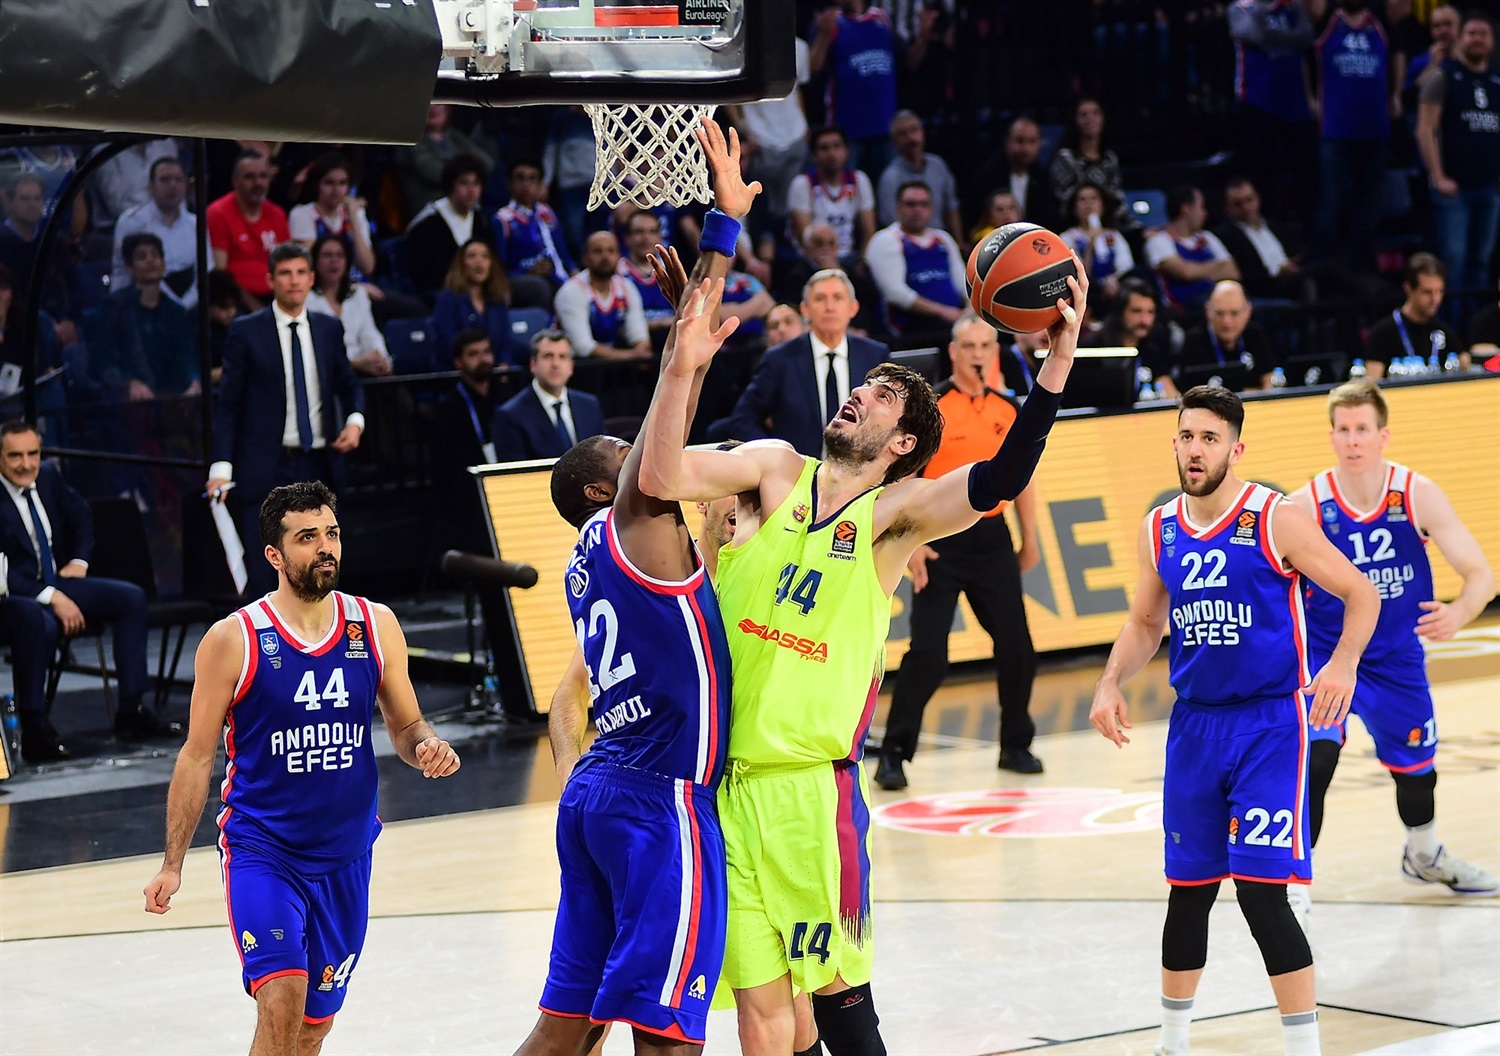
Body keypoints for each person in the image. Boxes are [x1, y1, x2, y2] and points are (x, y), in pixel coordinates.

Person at [637, 245, 1088, 1055]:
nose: (860, 393)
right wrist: (681, 360)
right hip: (720, 788)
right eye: (864, 385)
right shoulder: (773, 471)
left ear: (903, 442)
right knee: (764, 1015)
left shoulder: (893, 518)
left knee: (840, 1002)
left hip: (812, 794)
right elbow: (659, 475)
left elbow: (1001, 478)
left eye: (882, 396)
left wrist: (1054, 368)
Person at [513, 117, 752, 1056]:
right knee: (666, 1034)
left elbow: (672, 402)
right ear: (598, 489)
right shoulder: (633, 515)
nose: (647, 454)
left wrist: (686, 343)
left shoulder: (595, 555)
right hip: (661, 800)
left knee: (566, 1026)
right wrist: (721, 233)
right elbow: (668, 407)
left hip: (599, 790)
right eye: (625, 452)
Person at [1088, 385, 1379, 1056]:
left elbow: (1360, 593)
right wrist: (1109, 681)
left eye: (1210, 439)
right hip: (1194, 730)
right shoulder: (1159, 528)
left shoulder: (1275, 518)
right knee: (1188, 893)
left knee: (1261, 894)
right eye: (1187, 436)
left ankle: (1304, 1049)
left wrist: (1342, 665)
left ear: (1235, 449)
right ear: (1175, 442)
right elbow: (1145, 622)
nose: (1196, 450)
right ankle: (1171, 1044)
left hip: (1271, 727)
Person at [142, 481, 461, 1056]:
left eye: (331, 534)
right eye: (307, 537)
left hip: (346, 855)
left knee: (313, 1027)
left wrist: (428, 746)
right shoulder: (234, 638)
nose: (325, 548)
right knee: (281, 996)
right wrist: (172, 863)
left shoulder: (375, 624)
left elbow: (407, 726)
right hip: (265, 851)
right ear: (274, 554)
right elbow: (196, 755)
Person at [1289, 380, 1497, 911]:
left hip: (1397, 659)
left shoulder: (1416, 493)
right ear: (1331, 437)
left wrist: (1459, 612)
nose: (1352, 440)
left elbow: (1480, 574)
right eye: (1343, 430)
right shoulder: (1307, 504)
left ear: (1383, 435)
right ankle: (1293, 882)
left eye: (1362, 429)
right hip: (1331, 657)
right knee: (1317, 759)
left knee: (1417, 772)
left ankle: (1424, 856)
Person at [875, 314, 1042, 790]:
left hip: (992, 538)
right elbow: (902, 477)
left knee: (1017, 648)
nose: (977, 354)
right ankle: (894, 755)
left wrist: (1030, 538)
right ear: (953, 352)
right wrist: (909, 543)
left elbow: (1022, 480)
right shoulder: (934, 408)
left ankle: (1016, 745)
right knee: (928, 654)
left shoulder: (1008, 408)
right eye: (968, 345)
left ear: (995, 352)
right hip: (938, 537)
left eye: (985, 345)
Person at [0, 419, 177, 760]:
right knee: (39, 620)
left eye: (32, 454)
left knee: (130, 598)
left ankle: (131, 711)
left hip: (56, 580)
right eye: (15, 456)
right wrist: (53, 597)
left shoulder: (48, 477)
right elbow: (3, 574)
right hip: (12, 594)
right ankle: (34, 727)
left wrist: (80, 561)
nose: (26, 464)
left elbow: (81, 514)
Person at [206, 242, 365, 599]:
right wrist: (221, 466)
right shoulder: (246, 331)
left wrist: (355, 422)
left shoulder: (328, 328)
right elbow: (228, 404)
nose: (293, 281)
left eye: (300, 273)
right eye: (285, 273)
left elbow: (349, 384)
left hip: (319, 462)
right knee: (266, 571)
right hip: (266, 465)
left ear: (312, 279)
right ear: (270, 280)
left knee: (322, 565)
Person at [708, 269, 888, 457]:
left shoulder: (874, 355)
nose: (829, 307)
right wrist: (775, 458)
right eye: (820, 299)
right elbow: (743, 419)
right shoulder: (779, 359)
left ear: (853, 308)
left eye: (837, 298)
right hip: (797, 471)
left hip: (862, 470)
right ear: (805, 310)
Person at [1415, 11, 1500, 321]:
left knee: (1481, 261)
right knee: (1454, 260)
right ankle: (1450, 330)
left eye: (1483, 34)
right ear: (1460, 38)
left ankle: (1476, 329)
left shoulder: (1496, 82)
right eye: (1471, 33)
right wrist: (1438, 176)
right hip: (1454, 190)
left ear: (1492, 41)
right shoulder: (1444, 77)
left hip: (1489, 188)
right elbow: (1425, 130)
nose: (1477, 39)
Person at [97, 232, 200, 400]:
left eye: (155, 255)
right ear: (129, 268)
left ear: (164, 264)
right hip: (131, 399)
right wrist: (129, 382)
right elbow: (104, 361)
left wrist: (194, 381)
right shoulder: (114, 308)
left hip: (173, 397)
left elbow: (187, 357)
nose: (150, 260)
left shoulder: (176, 311)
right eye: (141, 256)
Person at [863, 181, 966, 341]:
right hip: (911, 329)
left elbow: (965, 283)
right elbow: (894, 292)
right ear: (897, 208)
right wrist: (944, 312)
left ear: (932, 209)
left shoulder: (943, 239)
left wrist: (970, 311)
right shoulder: (886, 240)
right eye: (910, 204)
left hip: (953, 322)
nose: (918, 210)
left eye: (924, 204)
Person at [808, 0, 899, 175]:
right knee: (849, 186)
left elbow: (907, 63)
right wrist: (825, 34)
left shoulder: (881, 18)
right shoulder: (830, 20)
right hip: (847, 130)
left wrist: (924, 36)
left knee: (887, 185)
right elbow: (812, 68)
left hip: (885, 125)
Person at [493, 330, 606, 462]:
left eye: (562, 357)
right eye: (548, 356)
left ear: (571, 366)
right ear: (533, 364)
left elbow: (604, 458)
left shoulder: (590, 405)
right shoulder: (511, 415)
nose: (555, 364)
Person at [112, 156, 206, 310]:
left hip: (191, 304)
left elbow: (206, 270)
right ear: (151, 186)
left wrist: (184, 306)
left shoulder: (196, 224)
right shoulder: (131, 221)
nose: (172, 185)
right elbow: (123, 270)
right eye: (165, 179)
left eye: (178, 180)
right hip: (142, 301)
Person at [404, 153, 495, 298]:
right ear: (451, 185)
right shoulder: (427, 224)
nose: (471, 190)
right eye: (464, 183)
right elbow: (424, 276)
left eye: (476, 183)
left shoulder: (481, 219)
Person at [207, 151, 290, 309]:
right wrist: (258, 310)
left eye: (263, 176)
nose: (258, 183)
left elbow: (288, 264)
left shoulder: (277, 214)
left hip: (275, 298)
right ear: (235, 181)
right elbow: (221, 274)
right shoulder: (218, 213)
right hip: (235, 301)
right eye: (249, 177)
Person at [786, 127, 878, 266]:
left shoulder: (859, 180)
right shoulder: (802, 184)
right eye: (824, 148)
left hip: (849, 257)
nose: (831, 153)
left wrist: (863, 263)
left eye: (837, 146)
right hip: (810, 259)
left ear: (847, 151)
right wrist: (829, 266)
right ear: (813, 155)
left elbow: (869, 232)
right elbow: (805, 237)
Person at [554, 231, 652, 361]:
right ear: (585, 258)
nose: (605, 257)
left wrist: (641, 350)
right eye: (598, 251)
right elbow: (582, 347)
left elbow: (639, 335)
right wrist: (632, 356)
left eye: (611, 251)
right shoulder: (572, 291)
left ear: (619, 257)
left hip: (614, 360)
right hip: (576, 363)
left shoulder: (626, 287)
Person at [392, 102, 496, 223]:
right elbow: (435, 172)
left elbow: (487, 162)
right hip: (430, 214)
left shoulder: (454, 136)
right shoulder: (410, 139)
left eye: (439, 103)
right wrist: (467, 165)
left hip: (465, 210)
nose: (433, 108)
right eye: (428, 103)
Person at [1145, 185, 1240, 315]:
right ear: (1186, 209)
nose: (1205, 214)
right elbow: (1185, 273)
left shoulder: (1207, 238)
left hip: (1217, 300)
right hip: (1184, 309)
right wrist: (1217, 267)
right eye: (1201, 207)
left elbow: (1233, 272)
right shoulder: (1158, 241)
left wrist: (1196, 270)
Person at [306, 235, 391, 378]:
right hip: (327, 374)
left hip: (363, 369)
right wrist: (354, 363)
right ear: (315, 261)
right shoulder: (306, 299)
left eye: (340, 255)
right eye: (327, 255)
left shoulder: (358, 294)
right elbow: (315, 351)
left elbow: (370, 333)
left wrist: (381, 358)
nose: (334, 261)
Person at [495, 160, 575, 311]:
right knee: (540, 287)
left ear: (540, 185)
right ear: (509, 183)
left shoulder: (547, 212)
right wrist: (528, 272)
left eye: (532, 179)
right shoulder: (503, 219)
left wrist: (573, 270)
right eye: (520, 178)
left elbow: (562, 250)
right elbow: (498, 267)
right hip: (523, 279)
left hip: (557, 275)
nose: (526, 185)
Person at [1174, 280, 1279, 392]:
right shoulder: (1194, 340)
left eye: (1234, 313)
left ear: (1248, 311)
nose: (1226, 322)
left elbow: (1268, 375)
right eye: (1219, 313)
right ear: (1207, 310)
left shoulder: (1255, 335)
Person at [288, 153, 377, 283]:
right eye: (329, 183)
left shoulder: (356, 213)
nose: (336, 190)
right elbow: (309, 264)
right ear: (317, 184)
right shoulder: (302, 214)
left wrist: (353, 218)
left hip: (356, 284)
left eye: (342, 183)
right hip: (319, 286)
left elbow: (367, 267)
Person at [1362, 251, 1451, 379]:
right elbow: (1372, 383)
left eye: (1439, 291)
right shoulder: (1382, 333)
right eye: (1427, 292)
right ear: (1408, 288)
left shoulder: (1443, 331)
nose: (1435, 299)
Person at [431, 239, 516, 370]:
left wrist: (504, 364)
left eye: (485, 256)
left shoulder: (497, 299)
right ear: (461, 264)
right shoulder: (447, 299)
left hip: (492, 371)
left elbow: (505, 342)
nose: (479, 262)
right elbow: (446, 344)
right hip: (458, 372)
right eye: (472, 256)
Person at [1048, 97, 1129, 233]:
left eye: (1095, 113)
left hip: (1109, 227)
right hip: (1073, 230)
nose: (1090, 119)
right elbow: (1068, 204)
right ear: (1075, 120)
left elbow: (1117, 200)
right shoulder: (1065, 158)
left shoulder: (1110, 159)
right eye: (1083, 114)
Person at [875, 111, 962, 234]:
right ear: (894, 140)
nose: (911, 138)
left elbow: (951, 207)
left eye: (914, 130)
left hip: (941, 237)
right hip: (907, 240)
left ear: (922, 132)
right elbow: (891, 221)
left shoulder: (938, 166)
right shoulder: (890, 178)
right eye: (903, 134)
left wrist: (958, 241)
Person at [1059, 181, 1135, 310]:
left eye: (1094, 199)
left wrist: (1112, 280)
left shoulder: (1113, 235)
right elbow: (1076, 274)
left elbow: (1126, 266)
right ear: (1074, 208)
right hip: (1087, 291)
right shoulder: (1067, 237)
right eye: (1082, 200)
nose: (1089, 205)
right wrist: (1091, 244)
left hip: (1113, 287)